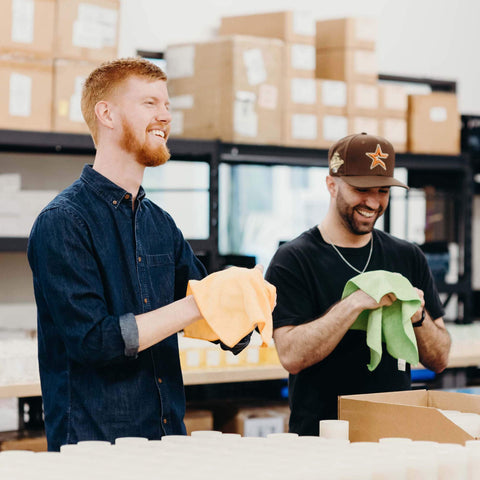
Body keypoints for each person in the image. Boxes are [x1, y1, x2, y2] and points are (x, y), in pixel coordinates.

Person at [27, 57, 257, 451]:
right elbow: (95, 342)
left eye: (167, 106)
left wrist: (245, 305)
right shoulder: (63, 222)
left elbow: (219, 322)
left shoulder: (161, 225)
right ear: (107, 114)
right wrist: (197, 305)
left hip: (166, 446)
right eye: (150, 104)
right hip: (96, 454)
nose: (164, 116)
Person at [265, 132, 451, 436]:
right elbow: (291, 356)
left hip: (396, 438)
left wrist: (417, 315)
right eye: (361, 189)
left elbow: (440, 358)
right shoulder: (294, 260)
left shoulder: (407, 256)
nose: (373, 202)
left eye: (382, 191)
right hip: (322, 440)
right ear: (331, 185)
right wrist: (354, 303)